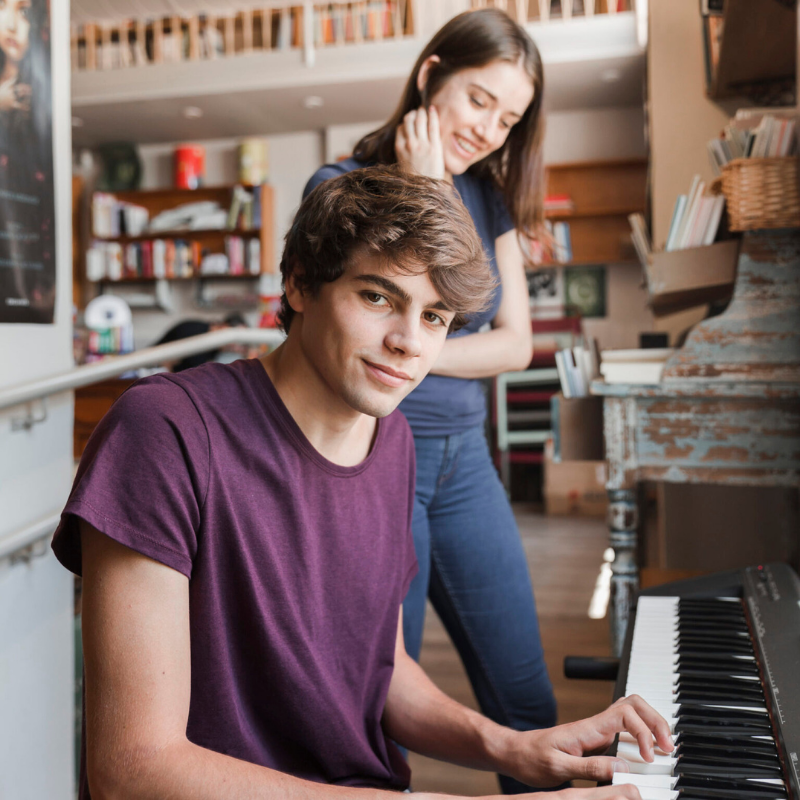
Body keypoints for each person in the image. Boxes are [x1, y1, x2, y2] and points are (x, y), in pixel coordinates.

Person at [52, 166, 670, 798]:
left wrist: (509, 747)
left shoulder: (394, 439)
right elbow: (132, 771)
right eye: (378, 297)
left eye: (435, 316)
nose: (407, 343)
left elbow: (380, 667)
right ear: (299, 285)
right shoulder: (164, 430)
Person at [304, 10, 555, 792]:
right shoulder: (339, 187)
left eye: (509, 118)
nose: (490, 130)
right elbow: (363, 338)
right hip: (378, 469)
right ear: (430, 74)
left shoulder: (491, 196)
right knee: (381, 712)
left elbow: (514, 343)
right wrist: (422, 192)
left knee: (527, 701)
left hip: (467, 468)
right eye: (479, 100)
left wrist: (443, 188)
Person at [154, 312, 252, 372]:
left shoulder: (215, 348)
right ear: (224, 326)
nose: (236, 347)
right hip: (151, 369)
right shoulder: (194, 332)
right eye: (237, 342)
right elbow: (166, 364)